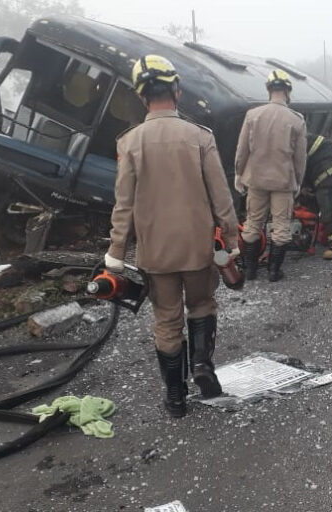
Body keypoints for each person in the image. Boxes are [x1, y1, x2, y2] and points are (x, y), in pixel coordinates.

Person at [105, 55, 240, 418]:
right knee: (202, 305)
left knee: (166, 320)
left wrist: (116, 251)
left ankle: (176, 399)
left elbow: (124, 204)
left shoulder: (129, 143)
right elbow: (221, 195)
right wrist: (230, 240)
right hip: (198, 249)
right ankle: (202, 366)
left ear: (141, 95)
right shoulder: (200, 137)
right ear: (177, 90)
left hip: (156, 255)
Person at [235, 69, 308, 282]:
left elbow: (241, 151)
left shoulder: (252, 115)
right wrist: (298, 182)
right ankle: (274, 272)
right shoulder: (296, 120)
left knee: (252, 223)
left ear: (269, 90)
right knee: (281, 226)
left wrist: (239, 174)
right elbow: (300, 159)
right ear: (288, 91)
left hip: (255, 180)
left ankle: (249, 271)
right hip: (283, 182)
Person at [300, 134, 332, 260]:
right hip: (326, 160)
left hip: (328, 163)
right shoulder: (289, 135)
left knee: (330, 205)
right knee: (320, 202)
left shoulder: (285, 143)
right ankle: (310, 236)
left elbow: (297, 169)